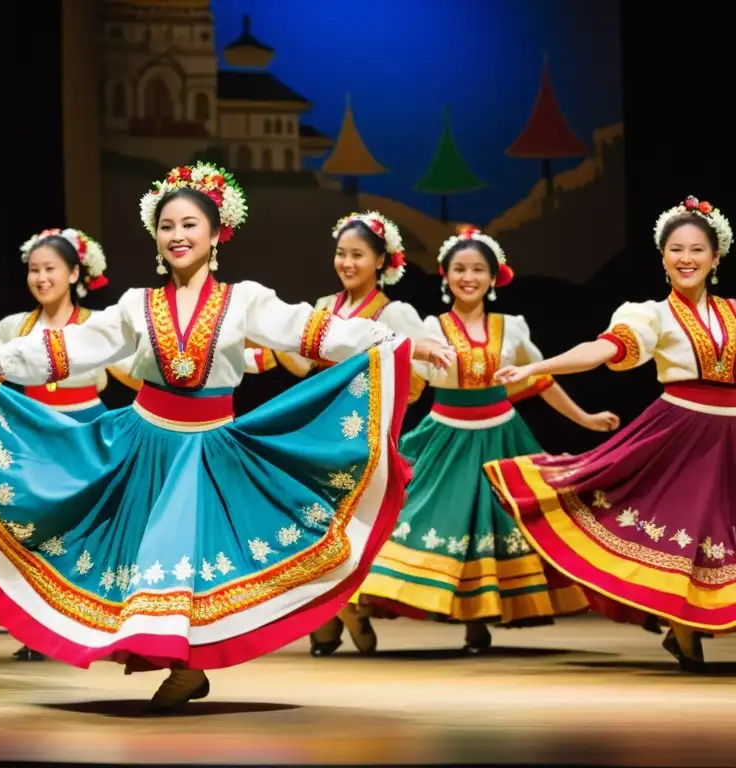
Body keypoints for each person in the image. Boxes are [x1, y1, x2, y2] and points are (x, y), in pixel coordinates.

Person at [0, 163, 454, 711]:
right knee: (142, 563)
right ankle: (174, 662)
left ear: (216, 234)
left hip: (208, 450)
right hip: (144, 447)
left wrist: (404, 343)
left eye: (190, 224)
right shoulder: (137, 304)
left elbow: (313, 330)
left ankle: (185, 667)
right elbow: (72, 347)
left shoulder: (244, 300)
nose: (178, 236)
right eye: (167, 226)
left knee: (185, 563)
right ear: (156, 237)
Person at [486, 196, 735, 670]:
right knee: (687, 528)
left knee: (724, 531)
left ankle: (690, 631)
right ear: (663, 257)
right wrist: (537, 366)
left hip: (731, 435)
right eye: (676, 249)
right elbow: (599, 350)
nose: (687, 258)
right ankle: (684, 632)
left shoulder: (733, 314)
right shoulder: (651, 315)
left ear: (715, 258)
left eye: (698, 250)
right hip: (681, 432)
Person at [352, 226, 618, 653]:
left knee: (502, 526)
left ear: (494, 279)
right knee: (420, 520)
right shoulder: (430, 328)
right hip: (445, 438)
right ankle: (360, 605)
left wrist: (584, 419)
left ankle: (480, 619)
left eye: (478, 269)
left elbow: (538, 380)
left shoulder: (511, 328)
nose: (468, 277)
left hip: (503, 436)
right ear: (445, 276)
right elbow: (406, 379)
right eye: (459, 269)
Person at [245, 211, 428, 656]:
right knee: (315, 525)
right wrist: (245, 357)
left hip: (364, 436)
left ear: (381, 260)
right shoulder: (324, 308)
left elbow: (417, 380)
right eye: (341, 254)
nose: (346, 263)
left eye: (357, 255)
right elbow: (301, 363)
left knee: (349, 526)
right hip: (322, 435)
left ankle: (343, 610)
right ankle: (335, 613)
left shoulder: (394, 312)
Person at [0, 226, 132, 660]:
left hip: (85, 433)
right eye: (34, 270)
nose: (41, 278)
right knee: (32, 530)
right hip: (33, 433)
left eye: (50, 269)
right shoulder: (13, 326)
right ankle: (38, 628)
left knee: (80, 532)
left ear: (74, 273)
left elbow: (133, 374)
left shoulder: (98, 325)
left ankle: (84, 622)